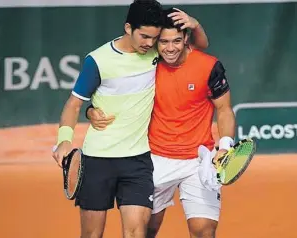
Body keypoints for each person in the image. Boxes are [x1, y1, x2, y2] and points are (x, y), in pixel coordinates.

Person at [52, 1, 210, 238]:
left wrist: (195, 25)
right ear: (128, 28)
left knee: (137, 232)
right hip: (98, 159)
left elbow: (198, 47)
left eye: (154, 37)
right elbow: (74, 104)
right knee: (92, 234)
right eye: (144, 36)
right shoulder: (97, 60)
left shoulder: (156, 51)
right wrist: (65, 139)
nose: (149, 43)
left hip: (138, 160)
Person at [87, 8, 236, 238]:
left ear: (186, 39)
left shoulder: (209, 66)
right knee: (146, 231)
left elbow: (224, 109)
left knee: (204, 231)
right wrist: (90, 111)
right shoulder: (147, 64)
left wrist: (225, 145)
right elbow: (113, 91)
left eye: (177, 40)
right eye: (163, 41)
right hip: (154, 160)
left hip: (198, 160)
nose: (170, 48)